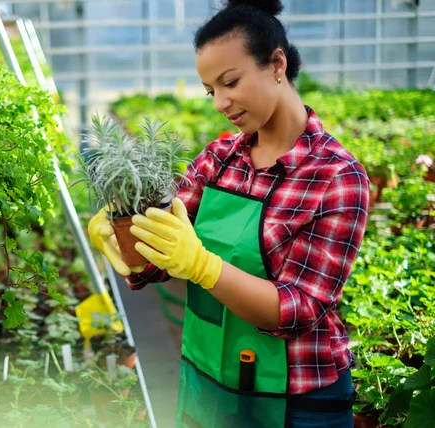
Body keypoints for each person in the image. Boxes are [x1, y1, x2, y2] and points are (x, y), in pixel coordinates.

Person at [88, 1, 369, 427]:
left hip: (299, 402)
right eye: (210, 90)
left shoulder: (336, 176)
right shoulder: (219, 159)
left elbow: (299, 309)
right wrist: (126, 235)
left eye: (230, 82)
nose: (220, 101)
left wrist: (203, 267)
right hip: (210, 381)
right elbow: (162, 252)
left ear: (277, 64)